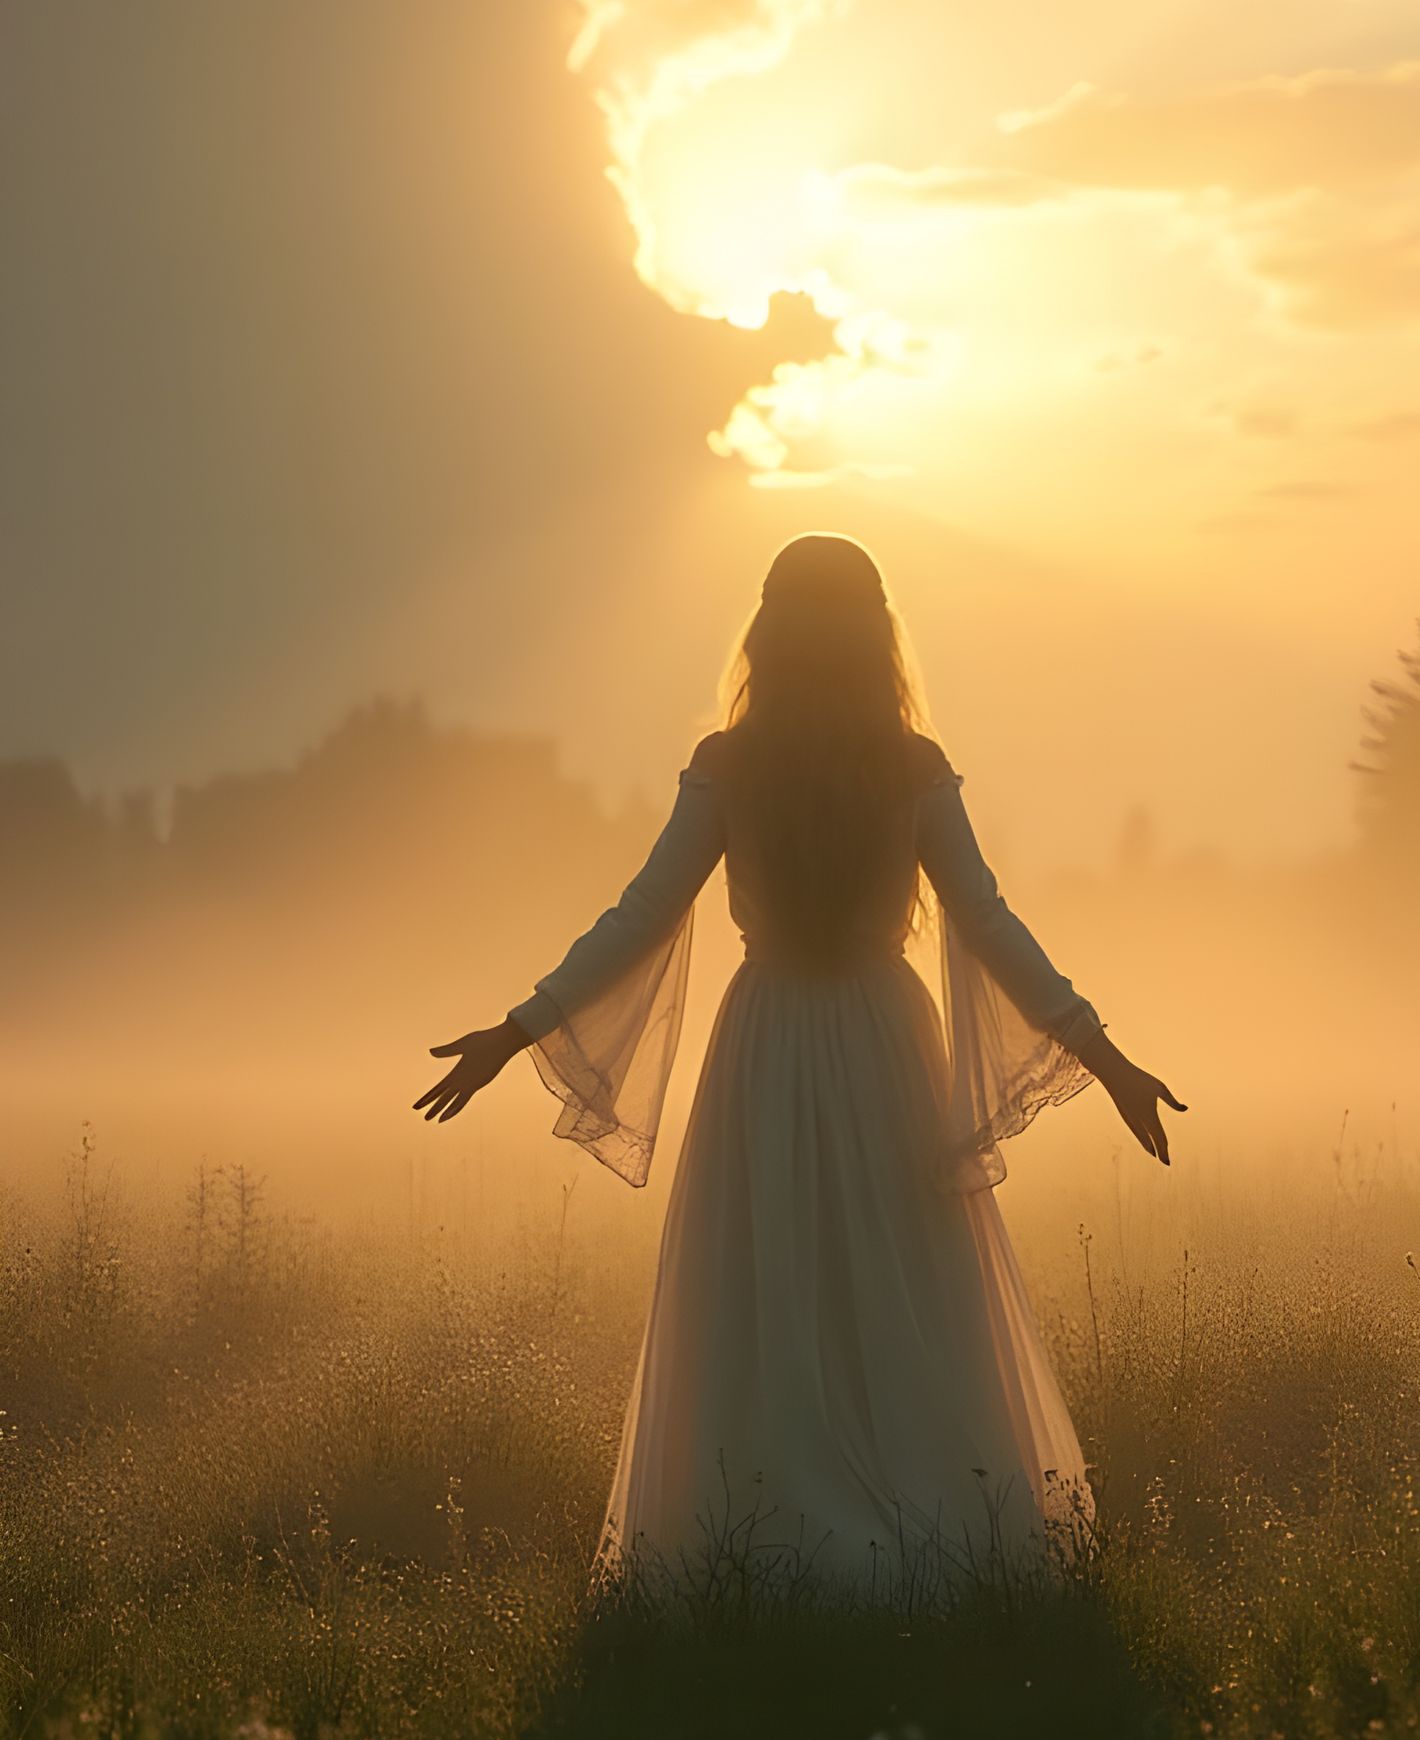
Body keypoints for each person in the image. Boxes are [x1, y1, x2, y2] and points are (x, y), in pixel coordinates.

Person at [415, 536, 1183, 1596]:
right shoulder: (905, 765)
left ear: (768, 632)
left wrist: (520, 1029)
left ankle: (762, 1530)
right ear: (875, 630)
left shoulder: (736, 764)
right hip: (883, 1047)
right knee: (901, 1284)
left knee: (769, 1279)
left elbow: (642, 915)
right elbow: (989, 924)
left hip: (766, 1046)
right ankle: (935, 1524)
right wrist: (1105, 1057)